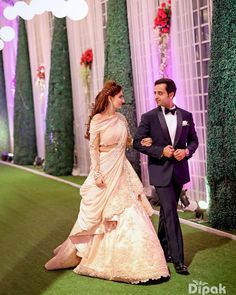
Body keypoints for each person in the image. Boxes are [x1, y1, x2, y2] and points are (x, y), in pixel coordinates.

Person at [45, 80, 169, 284]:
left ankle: (144, 263)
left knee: (131, 210)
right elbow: (93, 149)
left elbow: (128, 141)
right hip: (104, 170)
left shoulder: (121, 118)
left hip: (122, 170)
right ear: (111, 98)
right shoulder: (97, 120)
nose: (123, 100)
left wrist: (142, 142)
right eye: (120, 96)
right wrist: (97, 173)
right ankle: (87, 254)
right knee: (98, 215)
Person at [133, 78, 199, 275]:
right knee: (171, 213)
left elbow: (194, 141)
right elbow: (137, 142)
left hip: (179, 172)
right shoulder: (148, 117)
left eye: (159, 93)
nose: (155, 96)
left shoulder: (186, 115)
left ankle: (162, 248)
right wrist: (162, 151)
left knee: (165, 214)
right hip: (160, 173)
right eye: (154, 93)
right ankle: (178, 259)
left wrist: (186, 152)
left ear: (171, 95)